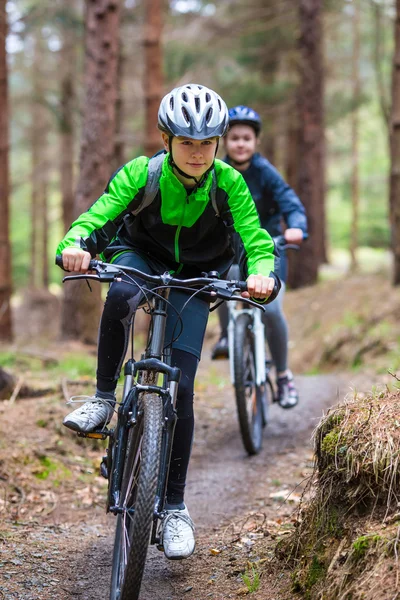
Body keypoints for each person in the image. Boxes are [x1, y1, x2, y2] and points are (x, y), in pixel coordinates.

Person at [56, 85, 281, 561]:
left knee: (182, 388)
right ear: (165, 139)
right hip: (140, 258)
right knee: (119, 293)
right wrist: (77, 244)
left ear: (218, 143)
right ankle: (101, 399)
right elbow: (100, 215)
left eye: (206, 143)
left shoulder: (229, 184)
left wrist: (262, 273)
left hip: (199, 275)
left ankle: (175, 507)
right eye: (187, 142)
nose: (197, 153)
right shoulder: (143, 173)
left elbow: (255, 238)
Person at [211, 105, 308, 409]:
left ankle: (282, 375)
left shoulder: (265, 173)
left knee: (273, 309)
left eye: (247, 138)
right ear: (225, 141)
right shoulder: (215, 173)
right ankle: (228, 336)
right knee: (221, 279)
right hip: (230, 249)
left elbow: (290, 202)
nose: (240, 143)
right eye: (235, 137)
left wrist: (296, 226)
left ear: (256, 142)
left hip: (268, 249)